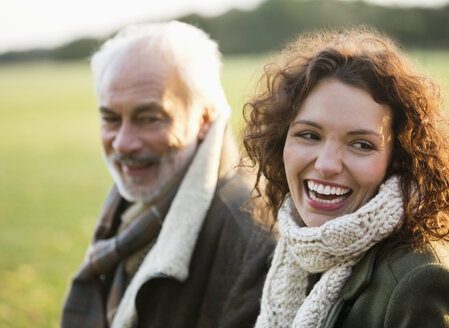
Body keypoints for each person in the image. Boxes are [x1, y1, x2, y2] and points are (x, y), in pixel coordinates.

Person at [61, 21, 275, 328]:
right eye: (110, 118)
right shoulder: (143, 198)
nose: (123, 143)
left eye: (149, 118)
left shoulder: (249, 232)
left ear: (204, 119)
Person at [243, 27, 449, 328]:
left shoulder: (416, 282)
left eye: (361, 144)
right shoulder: (294, 251)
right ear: (280, 143)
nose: (326, 165)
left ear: (397, 161)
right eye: (309, 135)